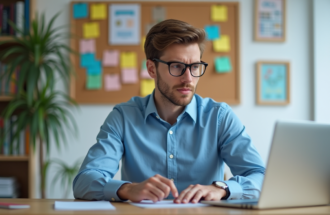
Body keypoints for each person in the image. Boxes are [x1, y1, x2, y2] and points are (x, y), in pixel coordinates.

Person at [73, 19, 265, 204]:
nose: (188, 78)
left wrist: (222, 189)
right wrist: (128, 189)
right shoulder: (124, 117)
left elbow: (261, 177)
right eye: (177, 67)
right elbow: (84, 182)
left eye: (195, 66)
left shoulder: (220, 117)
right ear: (151, 69)